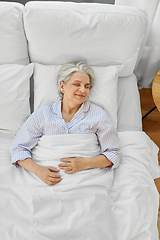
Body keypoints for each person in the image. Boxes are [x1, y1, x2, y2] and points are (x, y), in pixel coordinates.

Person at [10, 61, 121, 186]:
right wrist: (39, 171)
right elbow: (18, 148)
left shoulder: (98, 115)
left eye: (87, 86)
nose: (83, 90)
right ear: (62, 86)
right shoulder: (42, 114)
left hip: (86, 180)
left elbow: (113, 153)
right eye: (76, 84)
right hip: (44, 180)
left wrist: (84, 163)